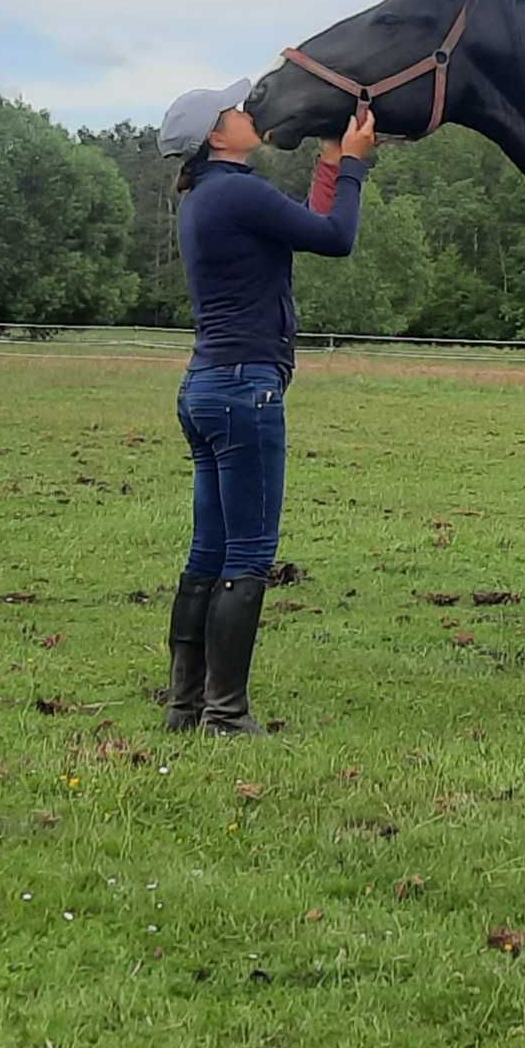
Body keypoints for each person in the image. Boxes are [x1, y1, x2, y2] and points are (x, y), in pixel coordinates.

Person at [156, 79, 378, 735]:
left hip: (206, 388)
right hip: (244, 392)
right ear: (216, 136)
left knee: (209, 552)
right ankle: (225, 715)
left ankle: (185, 707)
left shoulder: (207, 196)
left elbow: (308, 227)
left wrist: (331, 160)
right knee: (248, 555)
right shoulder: (238, 191)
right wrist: (359, 166)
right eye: (235, 111)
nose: (248, 113)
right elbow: (337, 238)